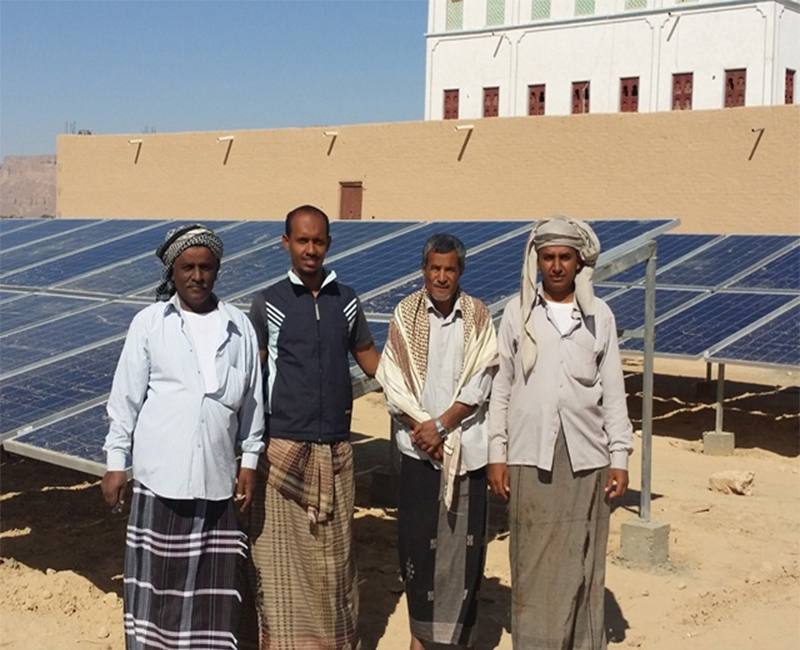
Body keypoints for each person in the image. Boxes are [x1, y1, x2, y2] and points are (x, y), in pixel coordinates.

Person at [101, 224, 265, 650]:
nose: (197, 276)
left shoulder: (238, 327)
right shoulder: (151, 324)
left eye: (205, 267)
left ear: (217, 270)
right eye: (187, 267)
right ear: (172, 272)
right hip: (160, 482)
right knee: (156, 594)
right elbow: (125, 400)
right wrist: (116, 464)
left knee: (212, 600)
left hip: (217, 484)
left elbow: (252, 402)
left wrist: (249, 461)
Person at [487, 215, 634, 650]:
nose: (555, 266)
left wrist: (620, 457)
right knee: (532, 560)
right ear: (537, 261)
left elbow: (614, 391)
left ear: (578, 262)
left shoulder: (599, 316)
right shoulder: (517, 313)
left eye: (564, 257)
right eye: (548, 257)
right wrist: (497, 453)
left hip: (588, 456)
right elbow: (501, 388)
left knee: (584, 560)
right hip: (529, 453)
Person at [247, 204, 380, 650]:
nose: (310, 249)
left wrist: (419, 394)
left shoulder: (347, 300)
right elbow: (253, 374)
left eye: (318, 241)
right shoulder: (268, 304)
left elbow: (370, 360)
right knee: (279, 564)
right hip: (282, 453)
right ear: (286, 243)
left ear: (329, 244)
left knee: (334, 564)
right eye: (302, 240)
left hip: (336, 452)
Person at [377, 234, 497, 650]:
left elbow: (482, 380)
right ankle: (421, 640)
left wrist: (442, 426)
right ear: (424, 270)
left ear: (460, 271)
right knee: (419, 553)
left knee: (464, 558)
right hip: (418, 454)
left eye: (449, 269)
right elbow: (393, 382)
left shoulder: (478, 315)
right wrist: (423, 429)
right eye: (435, 268)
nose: (441, 277)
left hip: (467, 456)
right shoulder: (405, 313)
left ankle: (457, 642)